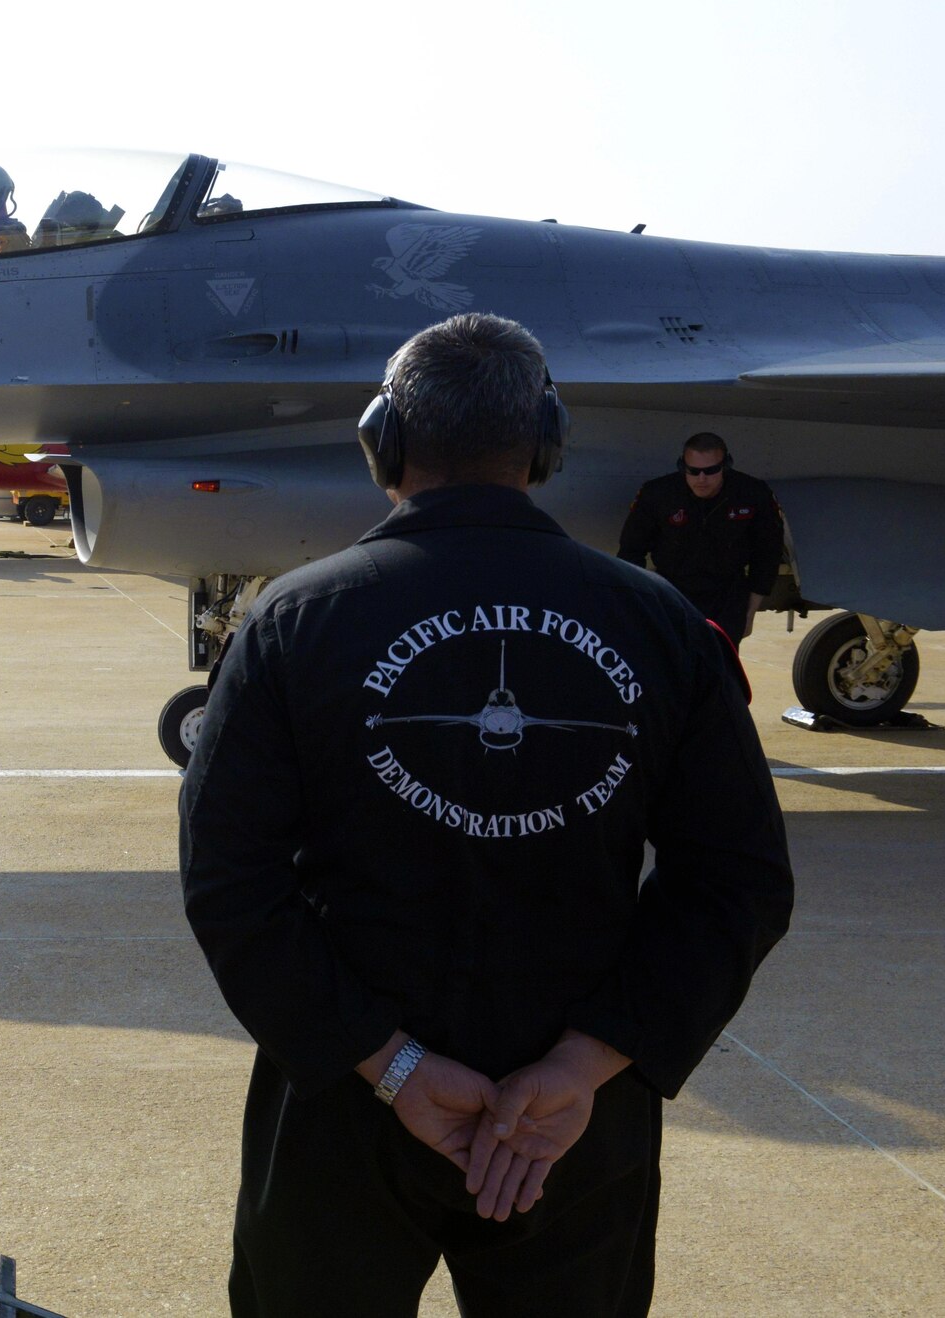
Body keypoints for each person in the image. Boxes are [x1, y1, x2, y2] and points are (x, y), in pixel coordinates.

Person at [180, 313, 793, 1318]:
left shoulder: (293, 620)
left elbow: (229, 879)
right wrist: (575, 1066)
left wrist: (395, 1065)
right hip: (565, 1119)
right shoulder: (660, 626)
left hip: (349, 1095)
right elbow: (736, 879)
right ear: (544, 445)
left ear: (382, 438)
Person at [617, 433, 785, 647]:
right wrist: (639, 605)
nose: (702, 479)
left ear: (725, 466)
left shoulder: (752, 494)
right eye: (693, 471)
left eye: (711, 471)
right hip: (673, 594)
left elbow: (767, 554)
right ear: (682, 467)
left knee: (719, 672)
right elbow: (631, 552)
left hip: (727, 598)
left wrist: (749, 613)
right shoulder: (658, 495)